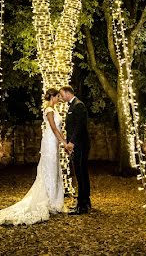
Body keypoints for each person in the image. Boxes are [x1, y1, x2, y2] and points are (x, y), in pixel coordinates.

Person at [0, 88, 66, 225]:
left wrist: (61, 142)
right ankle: (49, 201)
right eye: (58, 96)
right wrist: (64, 142)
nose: (59, 99)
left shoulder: (54, 109)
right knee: (49, 170)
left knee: (54, 170)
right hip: (50, 143)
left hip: (54, 143)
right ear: (53, 97)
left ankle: (54, 201)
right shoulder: (49, 111)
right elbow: (54, 128)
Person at [60, 85, 91, 214]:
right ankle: (85, 201)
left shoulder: (78, 106)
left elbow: (79, 126)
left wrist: (72, 142)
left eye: (62, 95)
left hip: (80, 144)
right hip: (77, 144)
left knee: (80, 173)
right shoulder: (72, 106)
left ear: (68, 93)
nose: (61, 98)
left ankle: (82, 205)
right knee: (81, 172)